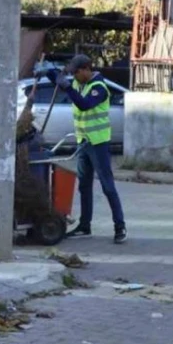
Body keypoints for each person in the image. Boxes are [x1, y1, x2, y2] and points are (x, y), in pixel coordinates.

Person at [48, 54, 127, 244]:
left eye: (77, 72)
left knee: (107, 186)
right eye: (73, 73)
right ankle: (85, 225)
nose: (74, 76)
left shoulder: (99, 88)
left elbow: (83, 105)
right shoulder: (79, 83)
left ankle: (120, 226)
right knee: (84, 185)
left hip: (98, 143)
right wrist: (50, 71)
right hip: (83, 142)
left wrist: (66, 85)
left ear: (86, 69)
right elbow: (60, 82)